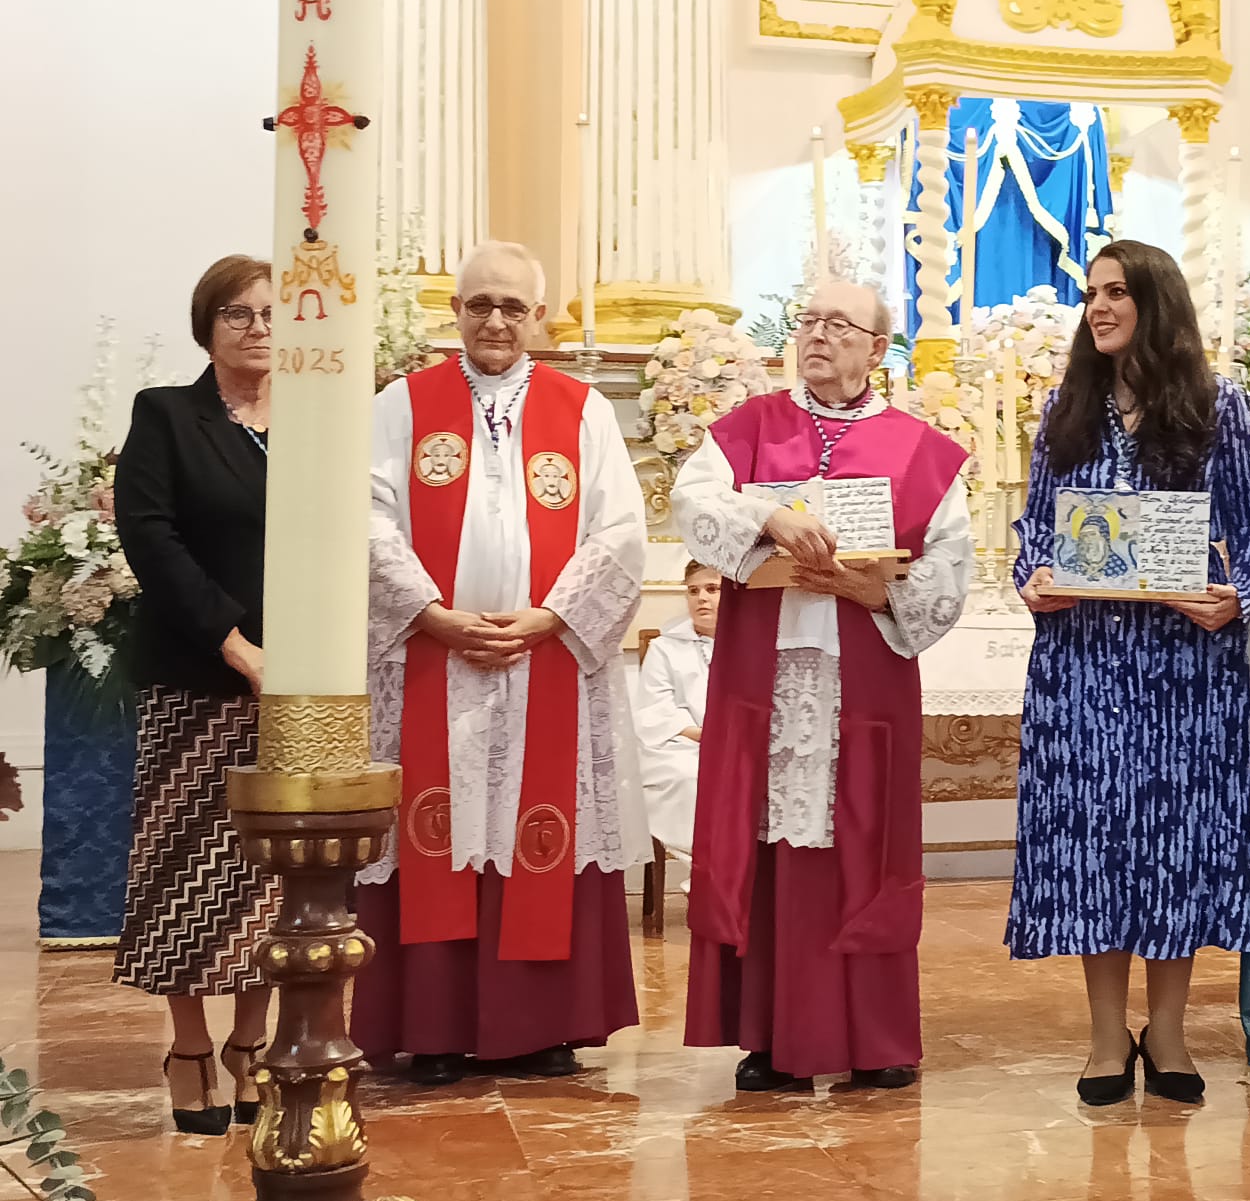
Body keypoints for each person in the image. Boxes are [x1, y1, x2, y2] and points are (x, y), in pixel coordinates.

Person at [351, 240, 649, 1085]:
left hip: (542, 657)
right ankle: (434, 1027)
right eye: (480, 303)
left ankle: (540, 1026)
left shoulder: (581, 408)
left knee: (537, 830)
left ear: (539, 317)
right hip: (431, 660)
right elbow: (367, 518)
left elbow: (620, 531)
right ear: (455, 309)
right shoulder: (401, 406)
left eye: (513, 307)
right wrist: (430, 614)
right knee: (436, 834)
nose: (495, 320)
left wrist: (551, 616)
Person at [675, 280, 971, 1093]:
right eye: (808, 320)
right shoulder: (748, 429)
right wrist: (768, 519)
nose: (818, 335)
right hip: (765, 677)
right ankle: (768, 1036)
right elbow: (691, 500)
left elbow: (950, 562)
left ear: (878, 349)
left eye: (840, 325)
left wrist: (882, 594)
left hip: (863, 675)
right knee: (767, 842)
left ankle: (877, 1038)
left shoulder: (921, 449)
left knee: (865, 845)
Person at [1010, 240, 1250, 1106]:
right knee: (1094, 841)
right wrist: (1035, 580)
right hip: (1084, 660)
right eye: (1091, 293)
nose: (1099, 307)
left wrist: (1234, 594)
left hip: (1183, 665)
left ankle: (1165, 1033)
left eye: (1118, 292)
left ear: (1157, 303)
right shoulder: (1063, 409)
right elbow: (1033, 532)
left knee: (1174, 843)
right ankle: (1101, 1037)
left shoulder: (1218, 405)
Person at [112, 254, 282, 1134]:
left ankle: (250, 1042)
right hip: (198, 676)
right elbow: (151, 539)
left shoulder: (316, 426)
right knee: (187, 874)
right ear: (207, 327)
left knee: (271, 877)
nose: (257, 329)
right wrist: (236, 644)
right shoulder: (168, 415)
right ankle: (188, 1046)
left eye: (270, 314)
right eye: (237, 314)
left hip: (296, 683)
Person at [634, 559, 721, 890]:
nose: (701, 598)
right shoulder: (664, 648)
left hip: (737, 744)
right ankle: (707, 879)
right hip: (680, 746)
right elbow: (655, 710)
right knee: (691, 777)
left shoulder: (754, 645)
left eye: (712, 589)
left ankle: (750, 880)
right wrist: (704, 735)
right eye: (693, 591)